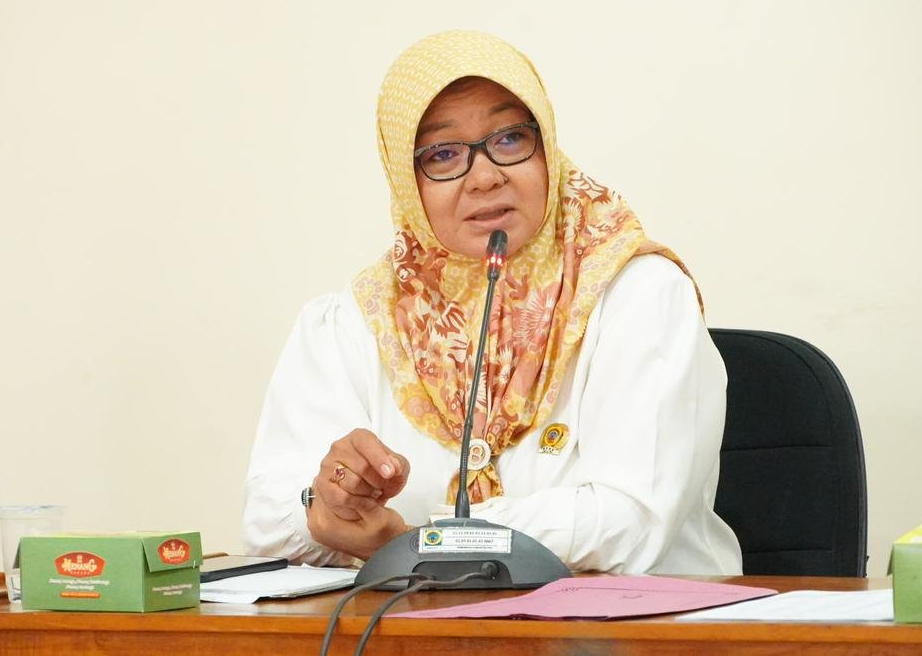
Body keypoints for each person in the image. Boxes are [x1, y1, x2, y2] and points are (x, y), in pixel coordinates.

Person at [243, 30, 741, 575]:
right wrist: (328, 507)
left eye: (509, 139)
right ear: (405, 181)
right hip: (420, 622)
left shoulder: (639, 296)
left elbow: (631, 522)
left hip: (646, 621)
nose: (485, 176)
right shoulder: (356, 323)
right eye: (443, 154)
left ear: (546, 148)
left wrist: (420, 542)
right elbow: (267, 522)